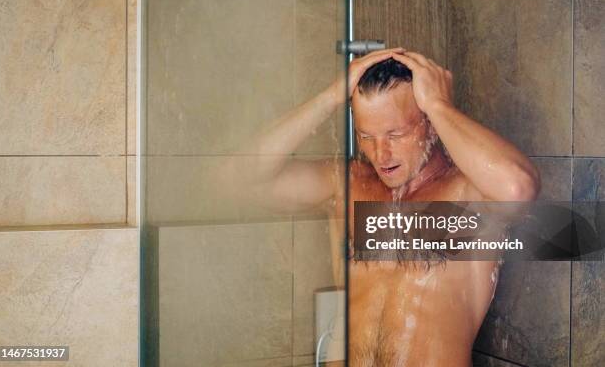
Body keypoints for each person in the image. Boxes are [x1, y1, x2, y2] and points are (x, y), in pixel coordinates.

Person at [224, 48, 540, 366]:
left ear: (431, 125)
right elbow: (237, 181)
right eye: (367, 136)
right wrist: (331, 97)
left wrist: (438, 104)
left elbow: (518, 187)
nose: (381, 153)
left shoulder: (468, 195)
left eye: (396, 134)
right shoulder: (346, 187)